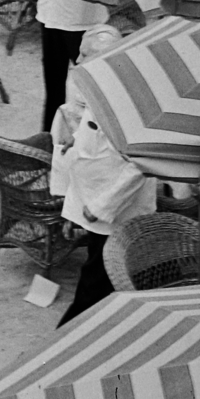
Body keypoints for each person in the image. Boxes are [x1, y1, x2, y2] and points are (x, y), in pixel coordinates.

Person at [49, 25, 157, 326]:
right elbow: (93, 128)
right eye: (80, 52)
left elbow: (140, 163)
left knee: (95, 283)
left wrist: (99, 208)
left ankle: (68, 337)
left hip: (113, 209)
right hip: (94, 201)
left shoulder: (131, 100)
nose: (78, 61)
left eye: (87, 55)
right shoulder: (101, 83)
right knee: (101, 274)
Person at [37, 0, 108, 133]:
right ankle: (49, 139)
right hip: (49, 15)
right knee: (53, 90)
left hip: (83, 19)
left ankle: (97, 140)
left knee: (95, 91)